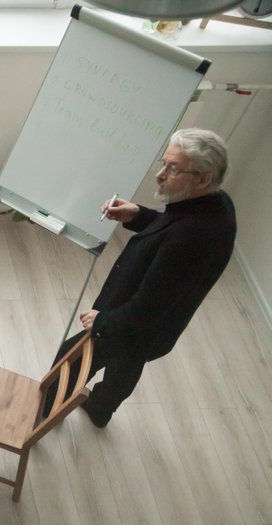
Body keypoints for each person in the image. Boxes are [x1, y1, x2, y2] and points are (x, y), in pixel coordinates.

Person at [56, 127, 236, 428]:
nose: (160, 174)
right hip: (154, 329)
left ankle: (45, 411)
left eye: (173, 168)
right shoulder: (213, 204)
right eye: (163, 163)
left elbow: (148, 306)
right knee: (125, 365)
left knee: (69, 361)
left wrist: (103, 321)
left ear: (202, 178)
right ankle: (100, 409)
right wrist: (138, 214)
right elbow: (171, 230)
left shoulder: (193, 237)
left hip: (132, 322)